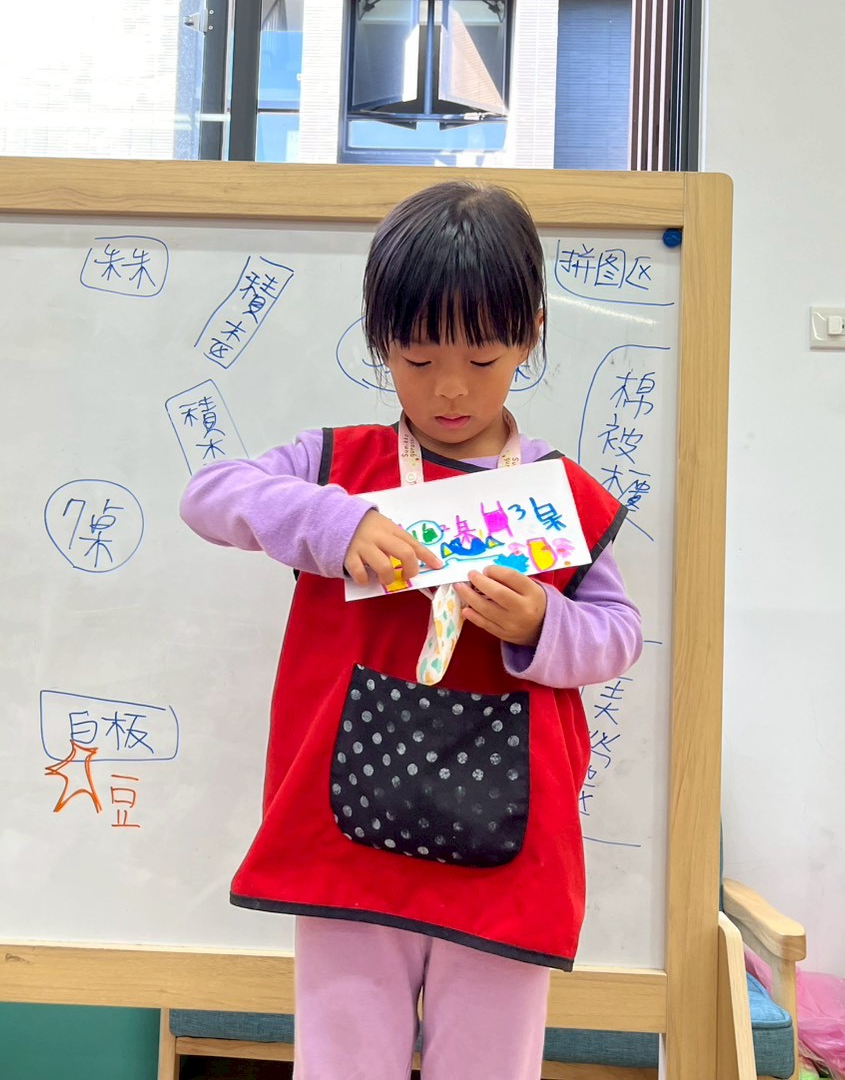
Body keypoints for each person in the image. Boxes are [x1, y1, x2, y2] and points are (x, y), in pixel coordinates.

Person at [180, 180, 642, 1079]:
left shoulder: (560, 495)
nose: (451, 387)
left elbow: (616, 634)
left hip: (506, 851)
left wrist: (543, 622)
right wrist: (332, 520)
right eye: (418, 358)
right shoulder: (335, 465)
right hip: (346, 839)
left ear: (531, 334)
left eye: (483, 356)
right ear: (380, 341)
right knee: (342, 1062)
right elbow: (209, 495)